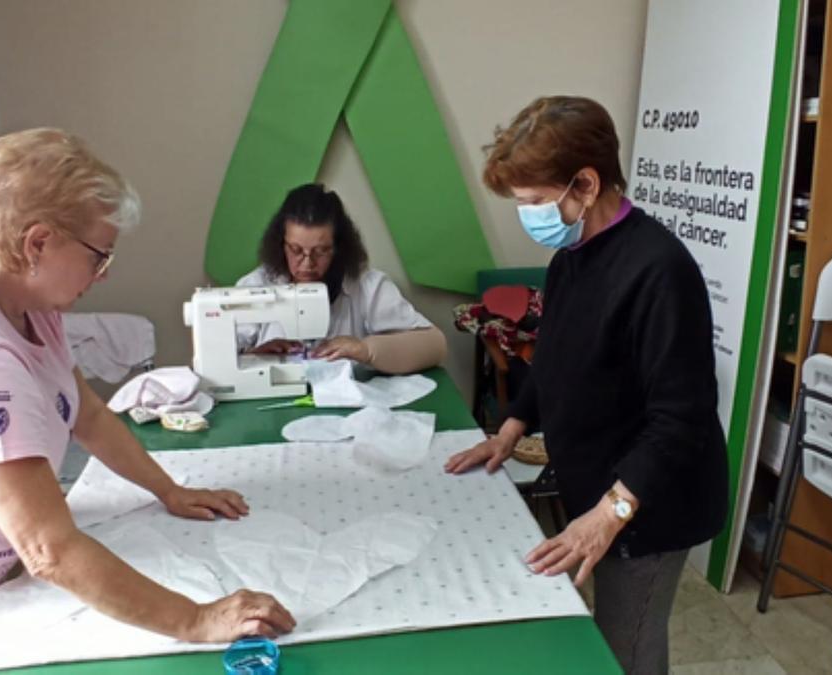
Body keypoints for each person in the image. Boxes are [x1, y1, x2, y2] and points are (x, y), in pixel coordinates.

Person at [0, 129, 294, 675]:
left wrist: (170, 489)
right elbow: (49, 550)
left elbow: (85, 411)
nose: (105, 272)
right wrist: (196, 619)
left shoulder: (20, 295)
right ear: (37, 242)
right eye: (99, 255)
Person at [444, 96, 728, 674]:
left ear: (587, 184)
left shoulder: (659, 270)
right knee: (604, 633)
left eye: (533, 202)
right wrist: (512, 427)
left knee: (626, 646)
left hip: (652, 503)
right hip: (599, 484)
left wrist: (609, 513)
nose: (526, 214)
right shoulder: (571, 255)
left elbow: (682, 418)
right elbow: (556, 359)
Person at [236, 183, 447, 374]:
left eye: (321, 251)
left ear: (338, 247)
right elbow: (210, 363)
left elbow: (435, 345)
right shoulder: (256, 286)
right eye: (296, 250)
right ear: (281, 244)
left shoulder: (366, 286)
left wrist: (366, 350)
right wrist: (253, 357)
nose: (307, 264)